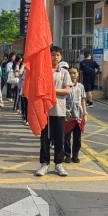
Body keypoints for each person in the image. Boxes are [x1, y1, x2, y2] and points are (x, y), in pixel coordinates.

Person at [35, 46, 72, 177]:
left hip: (59, 110)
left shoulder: (64, 73)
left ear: (61, 57)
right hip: (45, 111)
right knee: (45, 138)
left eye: (57, 55)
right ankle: (44, 164)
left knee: (59, 139)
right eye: (53, 54)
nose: (55, 57)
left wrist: (51, 91)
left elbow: (67, 91)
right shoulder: (43, 72)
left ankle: (58, 164)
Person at [64, 66, 87, 163]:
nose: (72, 75)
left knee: (77, 138)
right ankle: (67, 155)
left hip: (78, 114)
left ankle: (75, 155)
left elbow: (83, 100)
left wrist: (85, 114)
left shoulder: (81, 86)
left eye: (74, 73)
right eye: (70, 73)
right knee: (66, 137)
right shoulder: (65, 85)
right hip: (68, 115)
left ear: (78, 74)